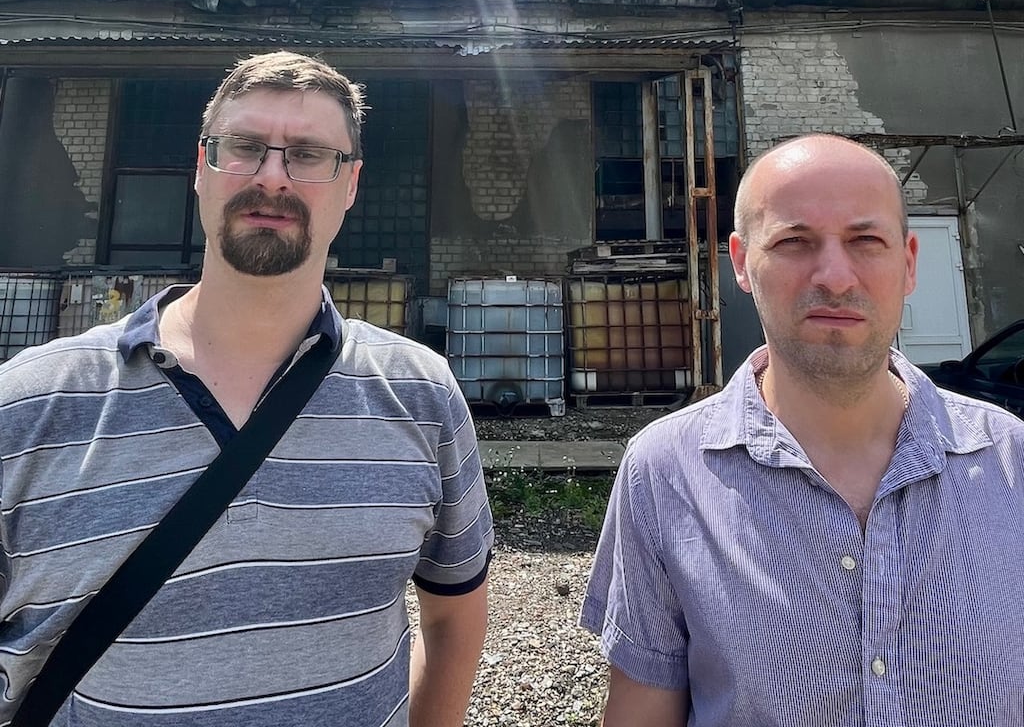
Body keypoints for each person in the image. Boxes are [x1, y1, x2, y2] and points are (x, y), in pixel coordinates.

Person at [0, 51, 493, 726]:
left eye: (309, 154)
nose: (271, 177)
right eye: (246, 147)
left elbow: (454, 616)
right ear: (201, 168)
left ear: (351, 184)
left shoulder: (420, 393)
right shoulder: (28, 405)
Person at [580, 134, 1024, 726]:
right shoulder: (664, 473)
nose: (836, 277)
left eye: (866, 240)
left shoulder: (1010, 462)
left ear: (910, 263)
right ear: (740, 261)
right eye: (795, 241)